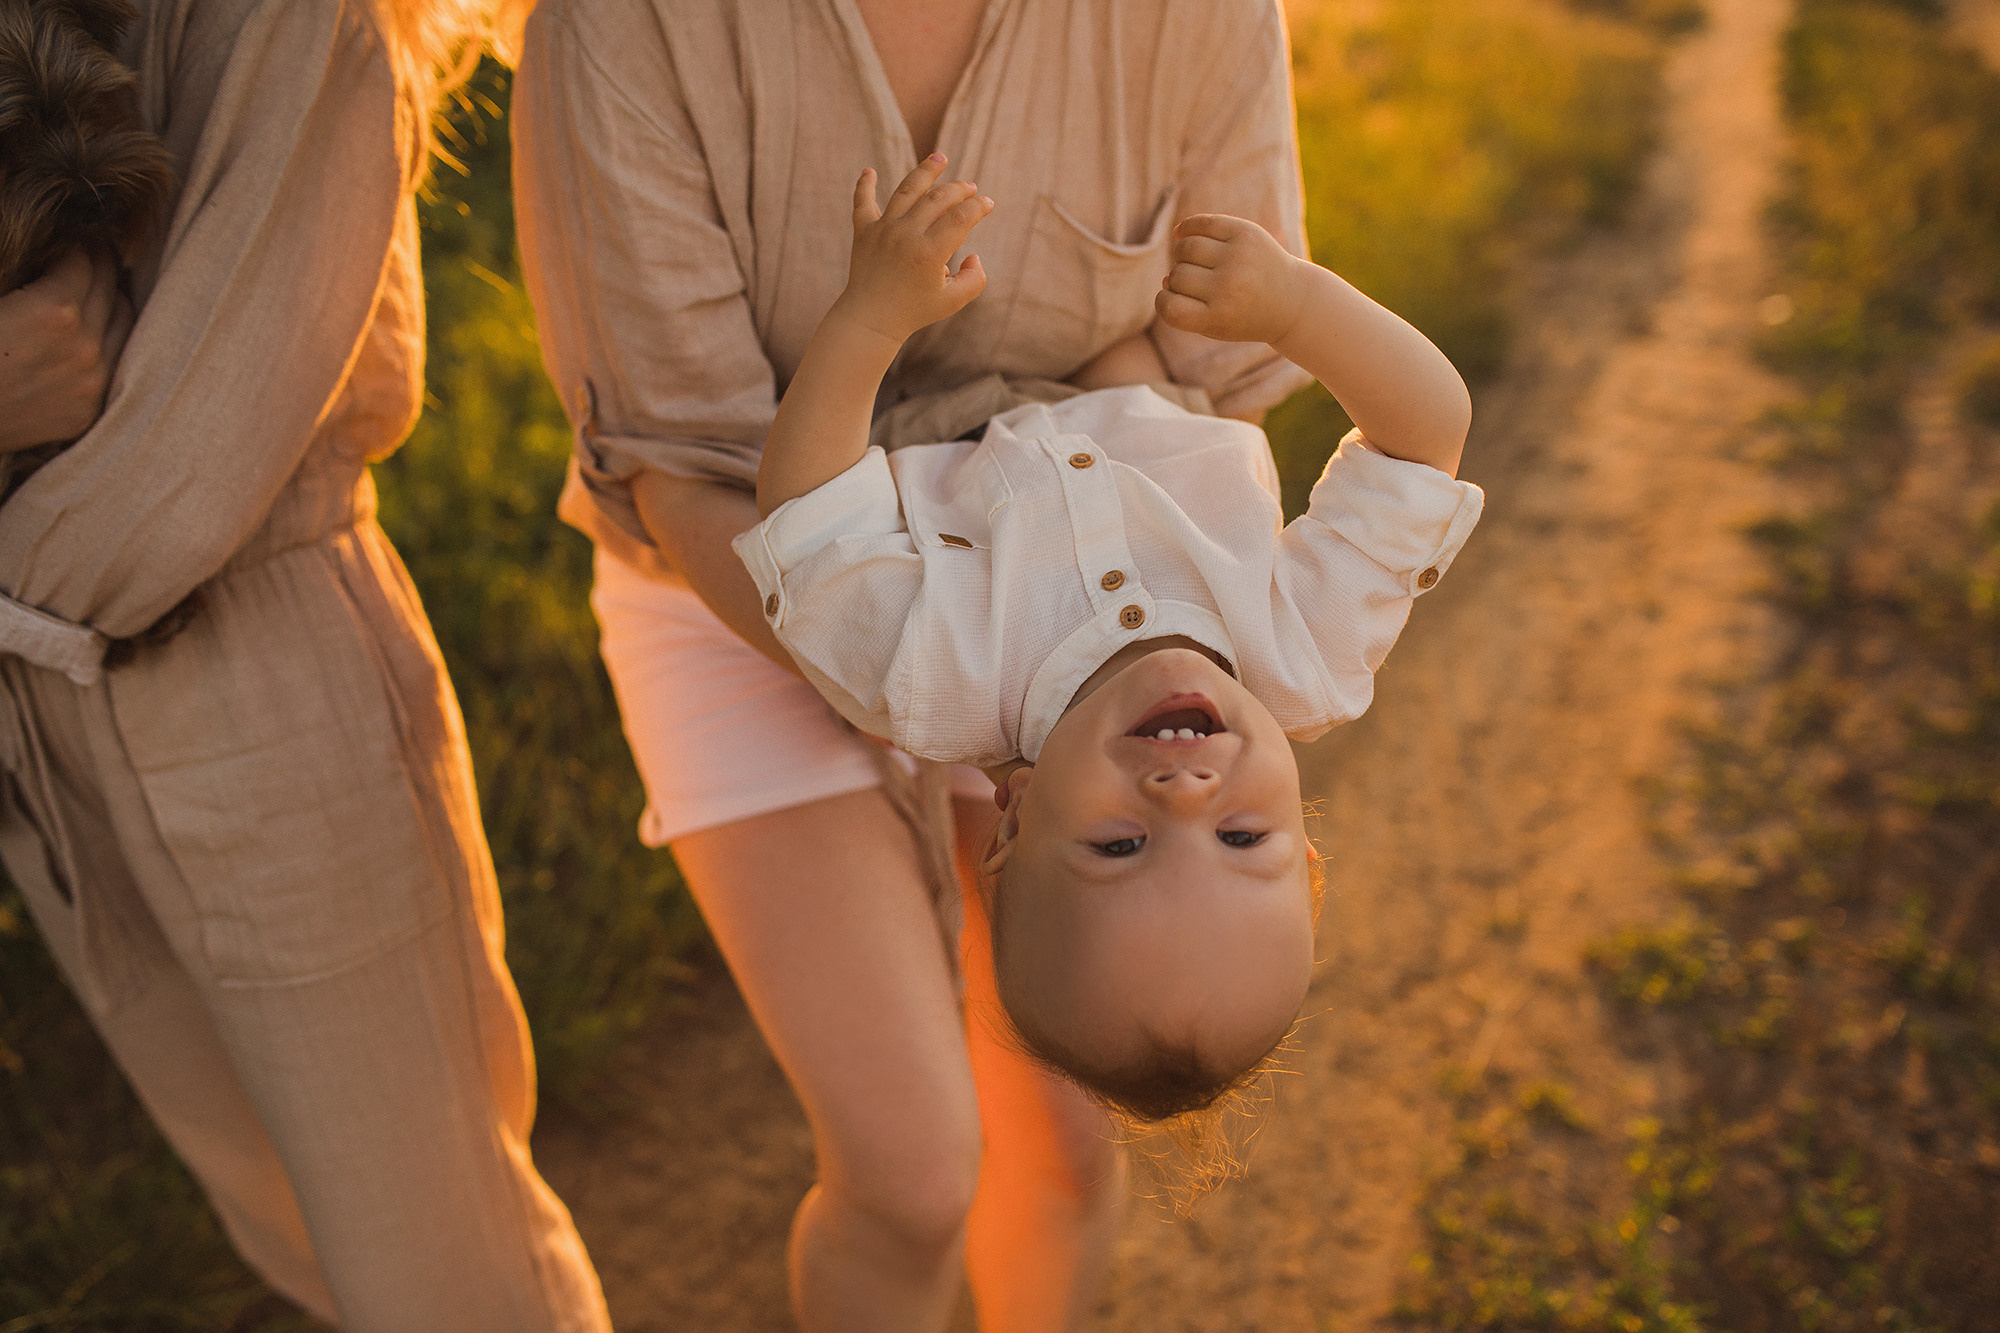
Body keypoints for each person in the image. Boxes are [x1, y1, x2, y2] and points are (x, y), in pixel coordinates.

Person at [513, 1, 1313, 1326]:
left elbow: (1203, 385)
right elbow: (683, 465)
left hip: (1075, 592)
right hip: (743, 574)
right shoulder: (630, 26)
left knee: (1057, 1143)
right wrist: (961, 669)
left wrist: (1055, 667)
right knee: (914, 1166)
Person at [0, 1, 608, 1326]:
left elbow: (177, 462)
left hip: (254, 680)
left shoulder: (293, 20)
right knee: (285, 1222)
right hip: (38, 711)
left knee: (445, 1268)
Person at [739, 159, 1479, 1123]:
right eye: (1242, 836)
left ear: (1010, 826)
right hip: (1134, 382)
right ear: (1304, 850)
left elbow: (809, 516)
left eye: (1122, 843)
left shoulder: (934, 683)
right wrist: (1296, 307)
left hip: (936, 409)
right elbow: (1427, 440)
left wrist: (874, 317)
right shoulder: (1308, 654)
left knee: (900, 357)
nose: (1186, 795)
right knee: (1130, 326)